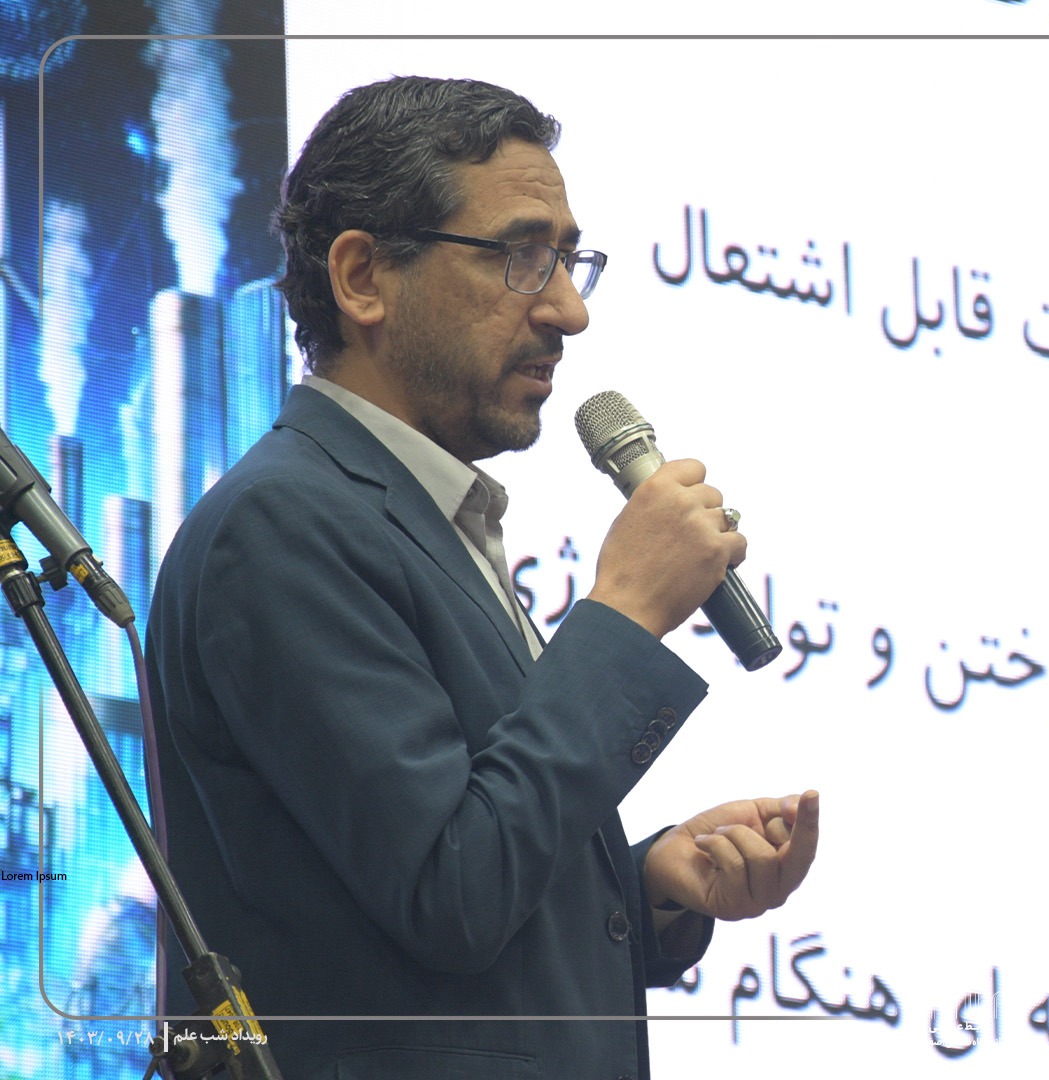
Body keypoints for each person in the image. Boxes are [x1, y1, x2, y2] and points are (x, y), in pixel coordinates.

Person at [145, 75, 817, 1079]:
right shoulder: (283, 524)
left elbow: (430, 909)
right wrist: (626, 610)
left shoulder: (421, 518)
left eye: (570, 259)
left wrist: (648, 886)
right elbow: (451, 891)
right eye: (521, 256)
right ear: (363, 277)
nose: (569, 309)